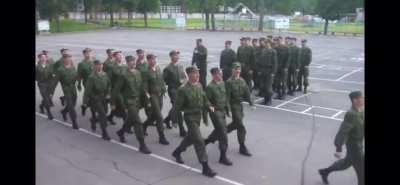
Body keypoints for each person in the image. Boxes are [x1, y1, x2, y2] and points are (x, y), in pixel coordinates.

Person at [171, 66, 217, 177]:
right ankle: (205, 167)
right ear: (189, 75)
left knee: (190, 138)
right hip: (189, 117)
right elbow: (176, 107)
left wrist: (209, 106)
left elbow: (204, 98)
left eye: (198, 73)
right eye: (195, 73)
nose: (198, 75)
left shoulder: (199, 85)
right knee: (199, 141)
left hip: (198, 116)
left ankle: (177, 152)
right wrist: (174, 120)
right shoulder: (183, 89)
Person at [318, 91, 364, 185]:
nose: (363, 100)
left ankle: (325, 172)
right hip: (355, 148)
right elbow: (343, 132)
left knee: (345, 164)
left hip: (359, 145)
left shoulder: (361, 111)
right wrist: (338, 148)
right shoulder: (351, 114)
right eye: (361, 98)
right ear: (355, 100)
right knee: (362, 173)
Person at [114, 54, 152, 154]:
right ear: (127, 63)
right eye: (131, 61)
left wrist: (146, 101)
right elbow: (116, 90)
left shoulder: (137, 73)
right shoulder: (123, 75)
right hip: (129, 102)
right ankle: (142, 145)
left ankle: (121, 132)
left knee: (130, 120)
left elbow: (141, 88)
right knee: (137, 122)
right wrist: (113, 103)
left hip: (138, 101)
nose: (133, 63)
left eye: (134, 61)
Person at [204, 67, 233, 166]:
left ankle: (207, 140)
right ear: (215, 75)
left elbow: (225, 98)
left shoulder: (222, 83)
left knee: (220, 130)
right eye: (219, 74)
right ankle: (223, 156)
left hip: (223, 111)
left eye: (221, 73)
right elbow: (206, 101)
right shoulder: (210, 87)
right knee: (223, 133)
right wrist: (211, 109)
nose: (221, 75)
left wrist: (228, 109)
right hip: (216, 113)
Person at [225, 62, 255, 156]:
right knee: (241, 126)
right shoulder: (229, 82)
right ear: (232, 70)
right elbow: (227, 97)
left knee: (235, 125)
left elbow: (247, 93)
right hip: (233, 106)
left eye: (239, 69)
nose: (237, 71)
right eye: (236, 69)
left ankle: (219, 133)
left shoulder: (242, 80)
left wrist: (251, 103)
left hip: (240, 106)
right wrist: (228, 109)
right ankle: (242, 146)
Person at [141, 54, 170, 145]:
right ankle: (162, 137)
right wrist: (148, 99)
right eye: (152, 59)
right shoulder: (146, 72)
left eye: (154, 59)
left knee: (154, 116)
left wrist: (164, 90)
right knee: (159, 117)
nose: (153, 61)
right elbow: (145, 88)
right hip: (152, 96)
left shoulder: (157, 69)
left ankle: (144, 126)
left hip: (160, 95)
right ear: (148, 61)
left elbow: (161, 81)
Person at [82, 60, 112, 140]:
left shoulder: (105, 74)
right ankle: (104, 133)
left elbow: (109, 85)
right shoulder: (91, 77)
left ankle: (93, 120)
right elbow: (87, 91)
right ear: (94, 66)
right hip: (95, 99)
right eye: (98, 65)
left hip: (104, 98)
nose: (100, 66)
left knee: (105, 112)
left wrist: (108, 93)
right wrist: (84, 102)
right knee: (102, 114)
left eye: (101, 64)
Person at [163, 50, 187, 137]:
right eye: (175, 55)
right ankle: (182, 130)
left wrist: (185, 83)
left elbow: (184, 77)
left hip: (180, 90)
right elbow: (164, 81)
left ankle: (166, 120)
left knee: (175, 108)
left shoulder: (180, 66)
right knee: (178, 109)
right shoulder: (168, 68)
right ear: (171, 57)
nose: (177, 56)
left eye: (177, 55)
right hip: (172, 90)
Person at [55, 53, 79, 129]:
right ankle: (74, 122)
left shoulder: (72, 67)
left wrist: (78, 83)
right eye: (67, 58)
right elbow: (55, 81)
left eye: (69, 58)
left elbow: (75, 76)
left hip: (73, 88)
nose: (68, 59)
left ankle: (64, 111)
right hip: (66, 89)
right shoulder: (60, 70)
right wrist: (51, 92)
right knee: (71, 107)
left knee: (73, 103)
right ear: (64, 59)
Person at [106, 51, 127, 126]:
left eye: (121, 55)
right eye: (118, 55)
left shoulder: (125, 66)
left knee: (118, 107)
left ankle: (110, 117)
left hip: (124, 90)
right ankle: (126, 126)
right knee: (123, 107)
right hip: (116, 91)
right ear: (115, 57)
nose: (120, 56)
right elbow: (108, 80)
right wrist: (108, 93)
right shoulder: (112, 67)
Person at [77, 48, 97, 125]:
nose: (88, 54)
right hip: (87, 83)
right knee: (92, 98)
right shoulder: (81, 64)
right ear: (84, 54)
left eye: (89, 53)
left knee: (93, 98)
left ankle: (84, 106)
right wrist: (78, 84)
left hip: (96, 82)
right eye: (87, 53)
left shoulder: (94, 61)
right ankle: (94, 116)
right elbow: (79, 75)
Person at [258, 40, 278, 105]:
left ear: (270, 44)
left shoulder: (273, 51)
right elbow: (260, 61)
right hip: (263, 70)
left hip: (269, 70)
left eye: (267, 43)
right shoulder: (263, 50)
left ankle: (269, 100)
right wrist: (260, 70)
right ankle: (265, 100)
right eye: (265, 43)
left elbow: (275, 63)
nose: (266, 44)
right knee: (263, 86)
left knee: (268, 87)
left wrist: (273, 72)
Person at [36, 53, 54, 120]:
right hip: (42, 85)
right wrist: (39, 80)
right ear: (39, 59)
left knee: (48, 97)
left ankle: (41, 106)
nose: (43, 58)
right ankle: (49, 113)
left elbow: (52, 74)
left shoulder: (49, 65)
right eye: (42, 57)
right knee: (46, 99)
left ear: (46, 58)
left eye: (44, 57)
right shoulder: (37, 66)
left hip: (49, 84)